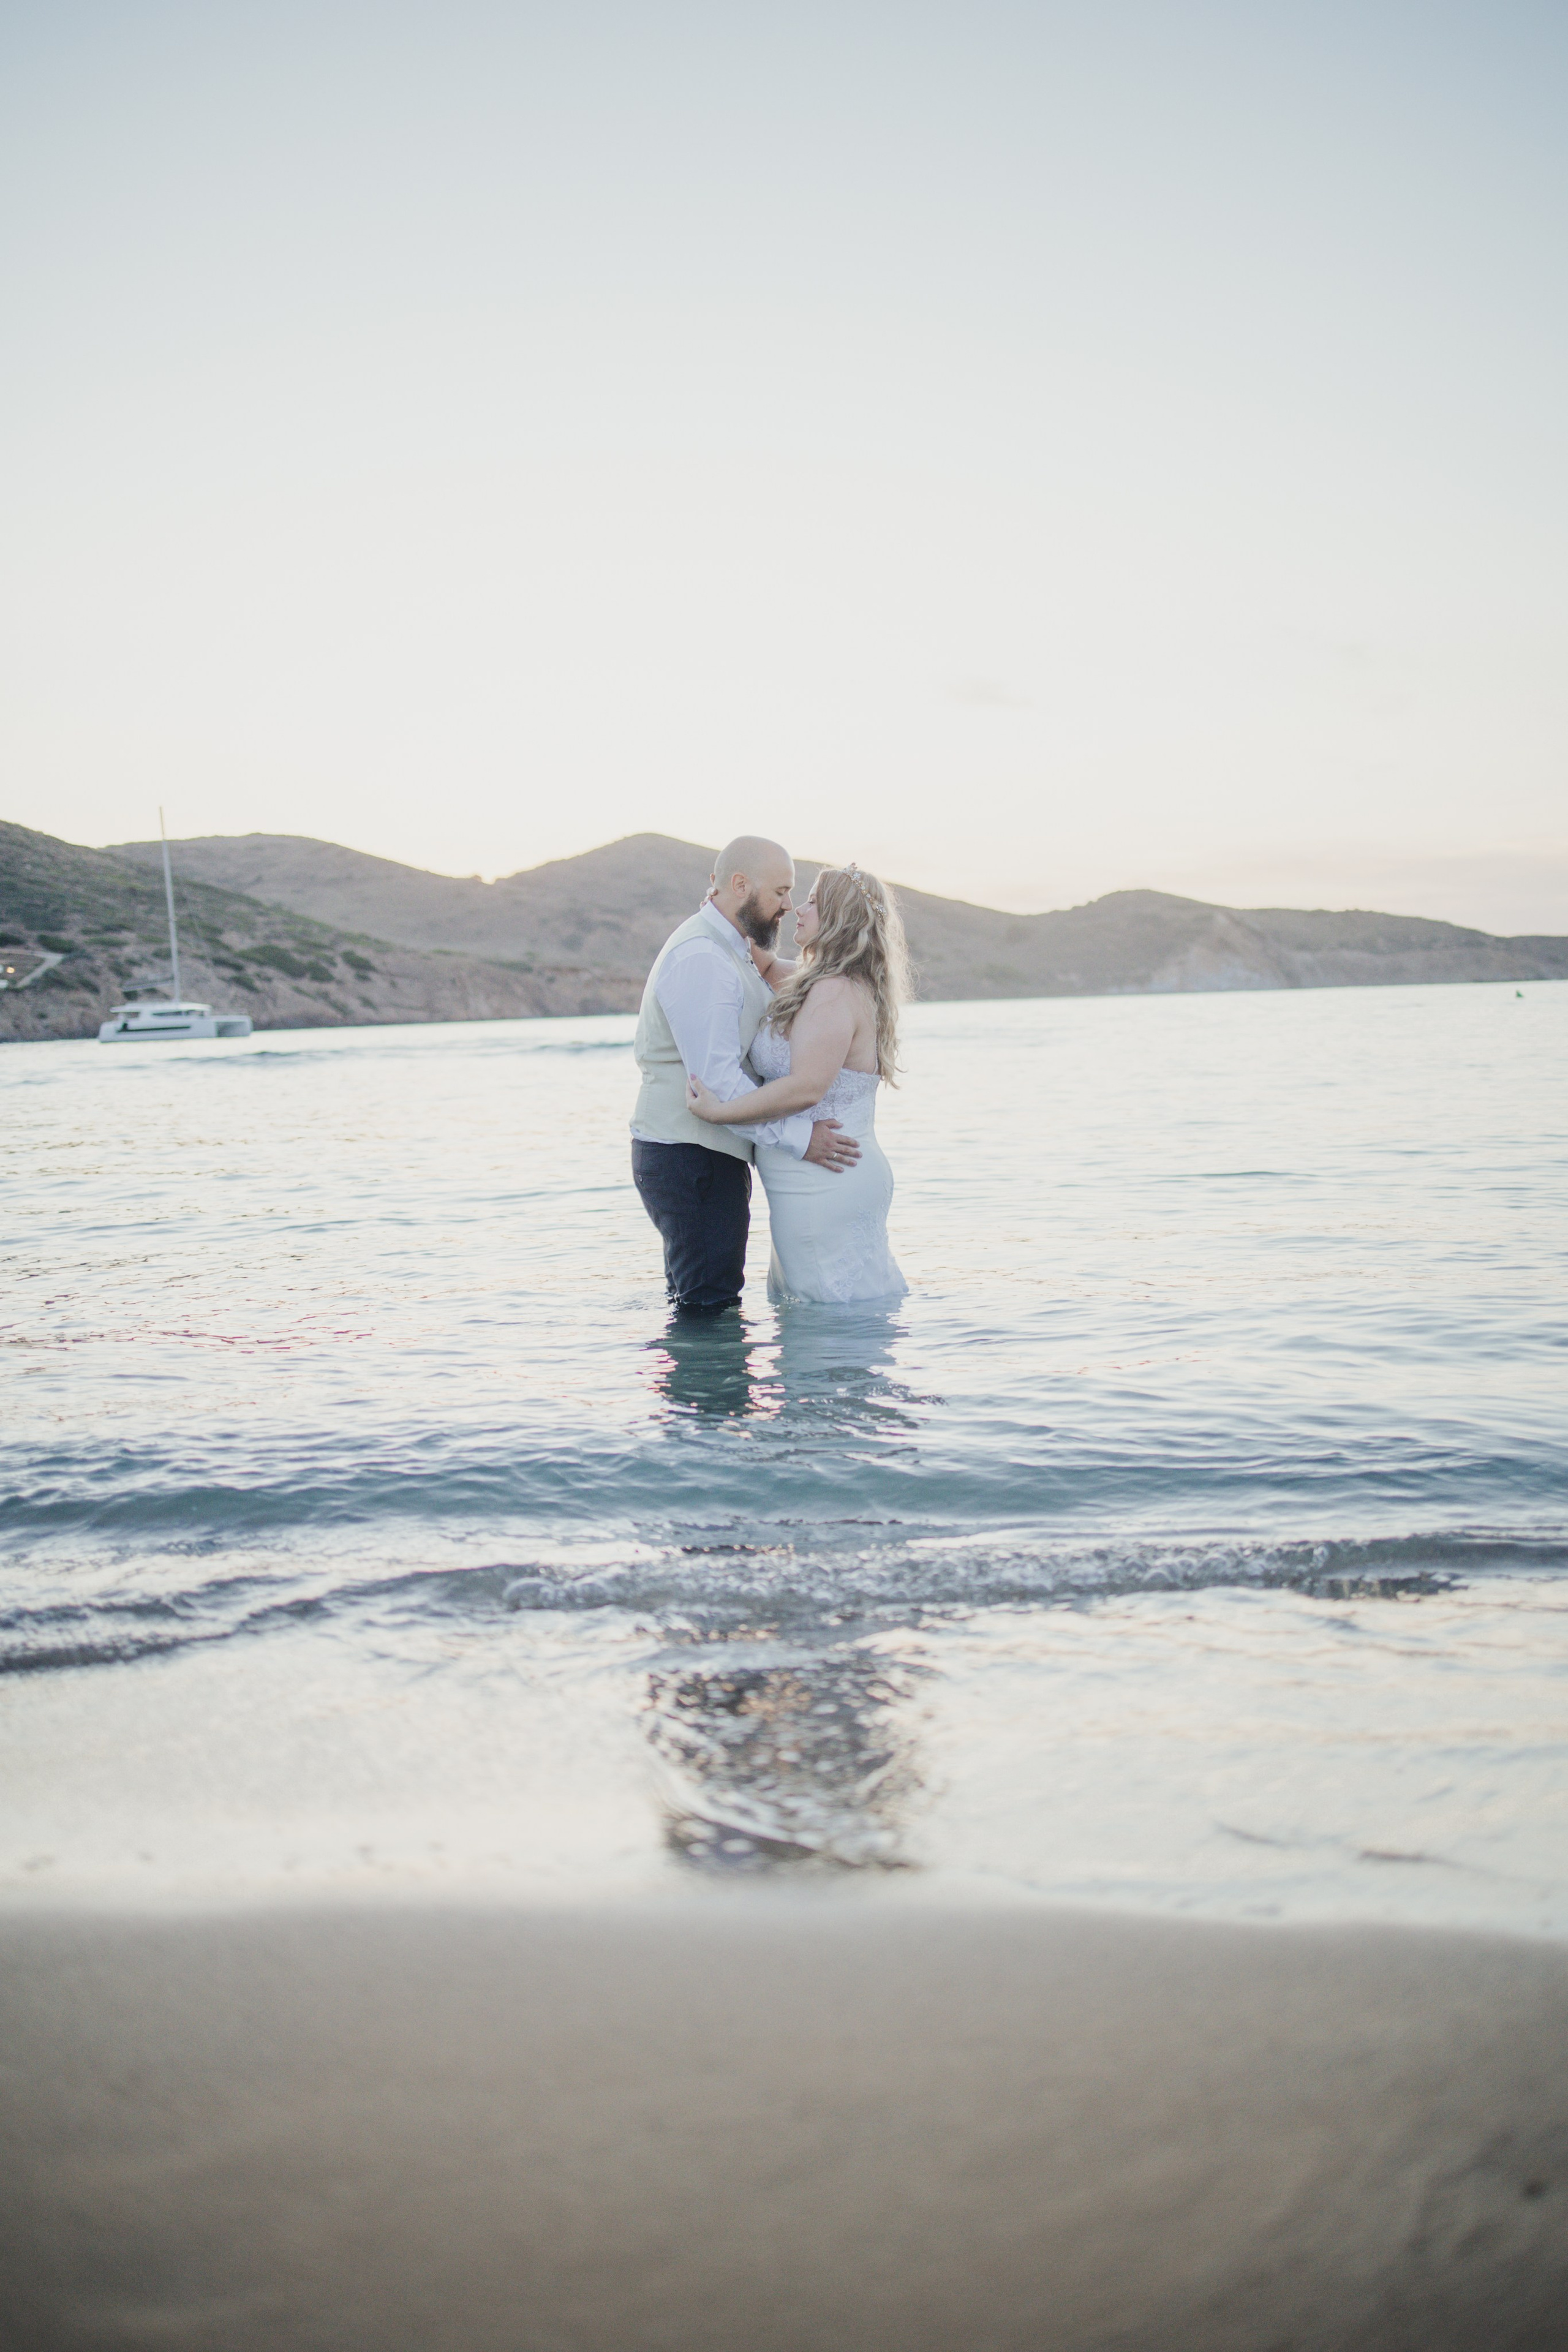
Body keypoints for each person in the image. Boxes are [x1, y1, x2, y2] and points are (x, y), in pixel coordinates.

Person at [630, 837, 861, 1313]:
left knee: (699, 1302)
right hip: (690, 1156)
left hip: (704, 1157)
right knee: (708, 1308)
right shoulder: (704, 958)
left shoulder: (729, 947)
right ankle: (709, 1389)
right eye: (780, 892)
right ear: (740, 885)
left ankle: (700, 1386)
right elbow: (718, 1087)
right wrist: (802, 1138)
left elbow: (796, 975)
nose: (787, 906)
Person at [685, 862, 909, 1305]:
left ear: (837, 918)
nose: (796, 909)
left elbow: (807, 1088)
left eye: (811, 901)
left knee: (823, 1317)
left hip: (826, 1179)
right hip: (817, 1177)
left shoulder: (834, 992)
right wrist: (724, 907)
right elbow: (763, 962)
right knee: (824, 1317)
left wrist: (718, 1112)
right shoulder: (824, 983)